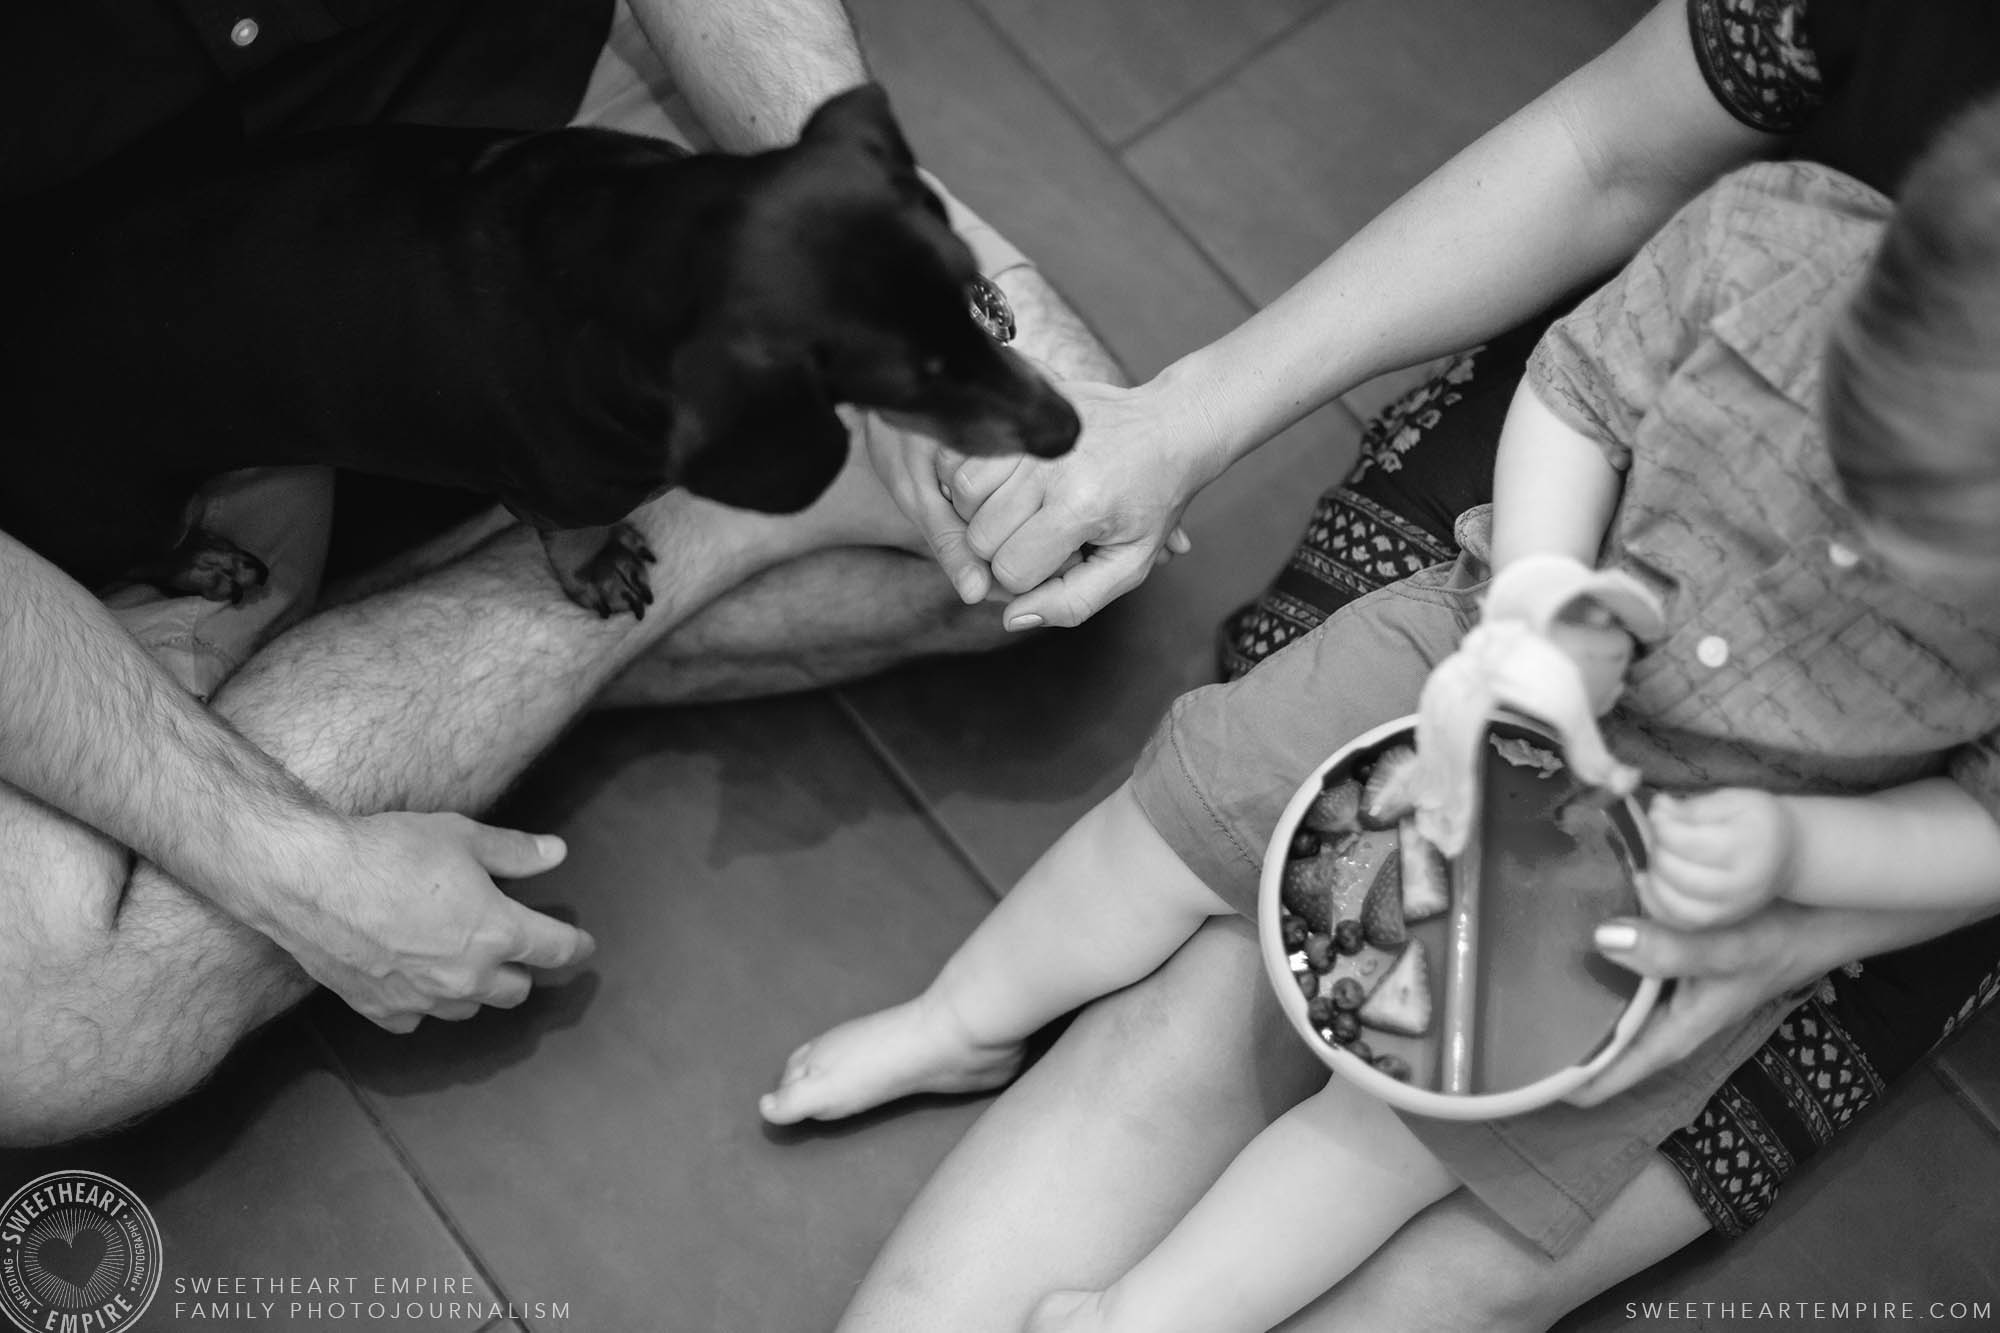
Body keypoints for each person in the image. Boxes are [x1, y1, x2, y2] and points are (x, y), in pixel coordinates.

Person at [839, 3, 2000, 1329]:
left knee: (1413, 1143)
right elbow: (1583, 389)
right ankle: (964, 1013)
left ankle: (1143, 1315)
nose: (1850, 543)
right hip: (1483, 623)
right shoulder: (1771, 242)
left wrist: (1805, 867)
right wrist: (1540, 593)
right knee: (1184, 824)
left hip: (1702, 837)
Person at [0, 0, 1121, 1147]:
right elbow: (580, 483)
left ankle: (348, 678)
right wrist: (300, 867)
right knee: (40, 1032)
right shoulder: (581, 423)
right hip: (85, 441)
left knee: (1058, 533)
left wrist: (888, 252)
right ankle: (686, 557)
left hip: (372, 249)